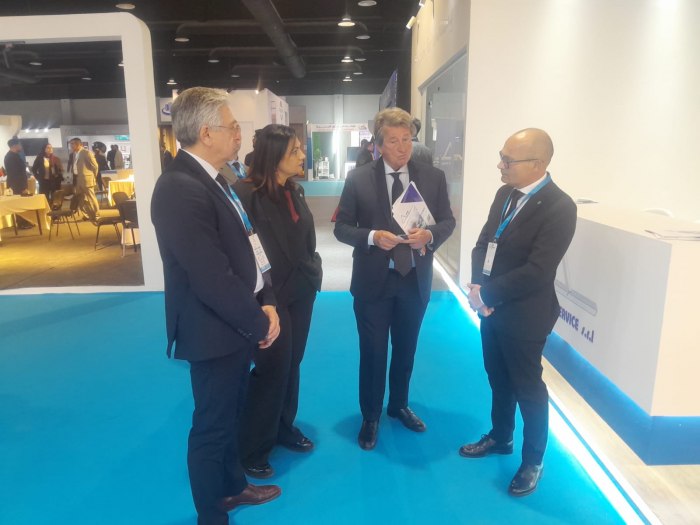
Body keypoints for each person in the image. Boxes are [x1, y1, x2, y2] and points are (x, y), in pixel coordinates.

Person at [150, 87, 282, 525]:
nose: (239, 134)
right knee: (212, 426)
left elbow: (249, 246)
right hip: (213, 329)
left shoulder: (215, 178)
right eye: (232, 126)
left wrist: (267, 300)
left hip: (237, 323)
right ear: (206, 133)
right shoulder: (178, 188)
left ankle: (232, 486)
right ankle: (211, 515)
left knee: (230, 415)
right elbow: (210, 276)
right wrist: (258, 323)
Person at [459, 128, 576, 497]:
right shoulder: (505, 194)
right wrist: (479, 290)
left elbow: (538, 270)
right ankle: (501, 436)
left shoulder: (560, 207)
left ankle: (533, 460)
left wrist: (488, 294)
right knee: (497, 376)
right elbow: (483, 243)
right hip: (491, 309)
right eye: (501, 156)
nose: (500, 165)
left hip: (525, 315)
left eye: (508, 160)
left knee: (528, 387)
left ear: (537, 164)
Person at [334, 107, 456, 450]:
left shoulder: (432, 177)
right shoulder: (358, 179)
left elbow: (447, 221)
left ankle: (399, 404)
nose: (402, 148)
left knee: (406, 348)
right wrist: (372, 237)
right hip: (374, 279)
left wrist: (430, 235)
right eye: (393, 141)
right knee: (373, 352)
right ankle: (370, 415)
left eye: (407, 140)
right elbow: (342, 227)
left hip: (414, 278)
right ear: (378, 144)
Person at [235, 124, 322, 479]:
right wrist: (262, 296)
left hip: (301, 290)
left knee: (292, 363)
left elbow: (304, 239)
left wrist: (313, 267)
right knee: (272, 368)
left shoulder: (293, 189)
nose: (302, 156)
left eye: (300, 149)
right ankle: (253, 446)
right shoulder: (245, 195)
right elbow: (245, 250)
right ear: (274, 157)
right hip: (269, 297)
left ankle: (283, 426)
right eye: (295, 151)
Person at [67, 138, 100, 221]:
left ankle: (96, 215)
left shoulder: (87, 153)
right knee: (80, 199)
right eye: (70, 144)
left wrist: (93, 177)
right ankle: (87, 214)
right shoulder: (74, 154)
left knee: (91, 198)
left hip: (87, 179)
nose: (71, 146)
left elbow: (95, 166)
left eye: (72, 144)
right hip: (77, 179)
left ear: (78, 144)